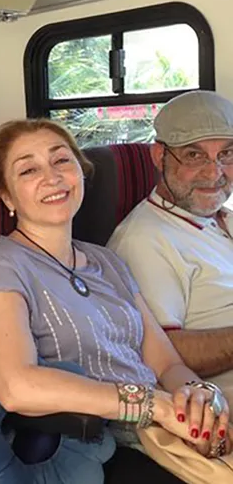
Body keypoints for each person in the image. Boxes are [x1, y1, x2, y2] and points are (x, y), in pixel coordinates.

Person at [0, 118, 229, 481]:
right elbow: (15, 386)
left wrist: (199, 399)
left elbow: (167, 364)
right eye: (29, 169)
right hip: (95, 443)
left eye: (61, 161)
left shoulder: (107, 261)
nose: (52, 177)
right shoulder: (2, 265)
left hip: (163, 426)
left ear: (80, 172)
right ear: (8, 197)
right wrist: (152, 406)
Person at [109, 90, 233, 398]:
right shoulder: (144, 241)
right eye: (194, 155)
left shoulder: (221, 218)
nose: (214, 172)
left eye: (227, 154)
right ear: (159, 156)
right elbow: (163, 353)